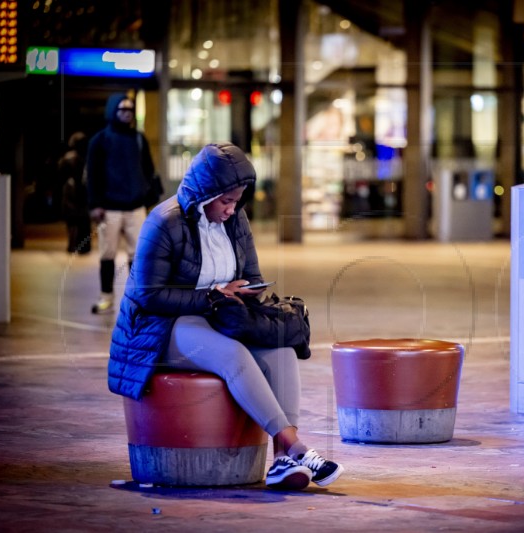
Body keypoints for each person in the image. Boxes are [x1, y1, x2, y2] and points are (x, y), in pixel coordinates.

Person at [107, 142, 344, 490]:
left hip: (220, 315)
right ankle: (298, 448)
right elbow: (147, 295)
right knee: (233, 355)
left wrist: (248, 291)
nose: (232, 210)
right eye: (226, 201)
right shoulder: (163, 222)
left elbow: (250, 274)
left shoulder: (236, 221)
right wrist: (212, 296)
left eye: (238, 201)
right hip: (161, 326)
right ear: (206, 194)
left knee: (280, 348)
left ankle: (281, 461)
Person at [86, 92, 157, 314]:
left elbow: (148, 170)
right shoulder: (100, 140)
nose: (127, 114)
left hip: (136, 206)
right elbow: (93, 175)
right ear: (112, 111)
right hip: (109, 208)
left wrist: (147, 197)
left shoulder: (139, 138)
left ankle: (135, 297)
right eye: (122, 110)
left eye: (129, 110)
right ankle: (106, 296)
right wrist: (95, 204)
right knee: (107, 254)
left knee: (138, 254)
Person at [58, 131, 91, 254]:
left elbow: (60, 175)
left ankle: (74, 245)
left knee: (74, 221)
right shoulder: (85, 157)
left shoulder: (68, 158)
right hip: (78, 192)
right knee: (79, 219)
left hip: (73, 192)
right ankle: (82, 246)